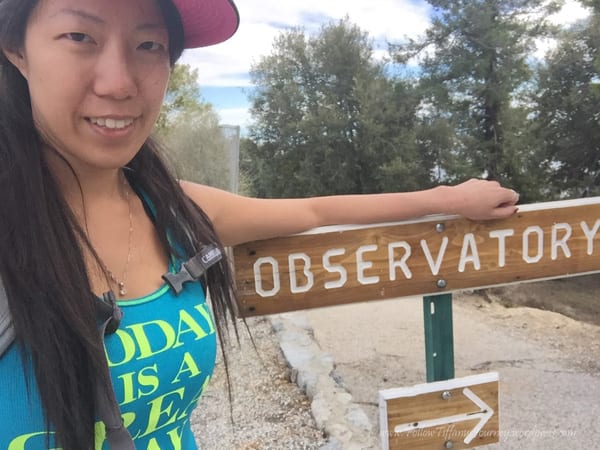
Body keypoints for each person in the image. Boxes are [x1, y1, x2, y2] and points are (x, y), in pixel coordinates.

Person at [0, 0, 519, 448]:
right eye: (80, 37)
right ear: (16, 49)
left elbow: (316, 211)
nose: (118, 83)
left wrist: (448, 199)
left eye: (149, 45)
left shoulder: (173, 211)